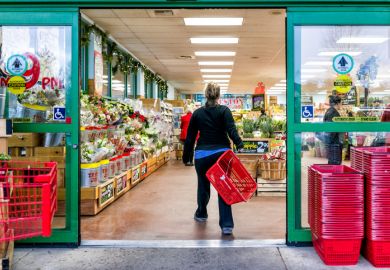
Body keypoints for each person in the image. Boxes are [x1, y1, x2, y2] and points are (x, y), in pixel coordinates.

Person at [183, 83, 244, 236]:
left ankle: (202, 214)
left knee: (203, 186)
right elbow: (232, 130)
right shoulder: (224, 111)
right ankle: (227, 225)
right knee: (224, 188)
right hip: (221, 155)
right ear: (218, 96)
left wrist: (186, 157)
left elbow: (190, 138)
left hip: (202, 155)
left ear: (205, 95)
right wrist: (240, 144)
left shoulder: (197, 113)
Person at [323, 95, 343, 165]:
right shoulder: (334, 113)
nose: (341, 104)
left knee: (332, 161)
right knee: (335, 163)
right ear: (337, 103)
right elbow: (332, 129)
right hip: (334, 143)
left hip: (331, 142)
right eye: (341, 103)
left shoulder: (329, 111)